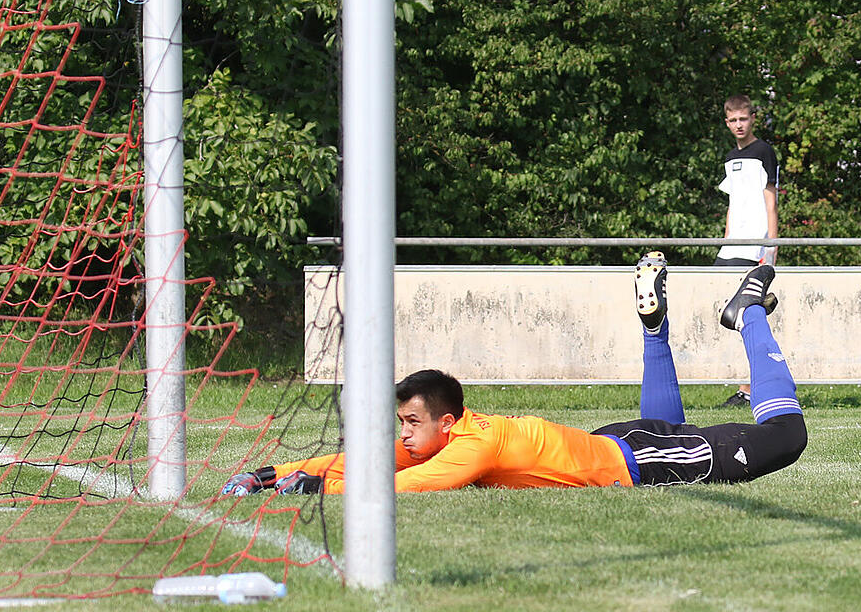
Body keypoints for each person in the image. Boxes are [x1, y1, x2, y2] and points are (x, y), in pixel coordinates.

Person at [221, 257, 806, 496]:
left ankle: (748, 309)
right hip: (616, 443)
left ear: (445, 423)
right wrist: (275, 473)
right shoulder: (450, 434)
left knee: (786, 438)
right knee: (668, 430)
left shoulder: (472, 446)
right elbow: (369, 462)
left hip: (623, 459)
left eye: (409, 423)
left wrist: (315, 487)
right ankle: (655, 333)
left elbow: (404, 488)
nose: (400, 435)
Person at [716, 94, 780, 406]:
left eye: (744, 119)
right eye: (733, 120)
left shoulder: (764, 151)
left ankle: (750, 389)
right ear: (727, 122)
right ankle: (742, 385)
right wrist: (725, 241)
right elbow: (732, 204)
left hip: (756, 243)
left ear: (752, 118)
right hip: (731, 247)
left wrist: (770, 247)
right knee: (722, 314)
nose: (739, 125)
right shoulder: (729, 157)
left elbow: (771, 201)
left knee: (750, 314)